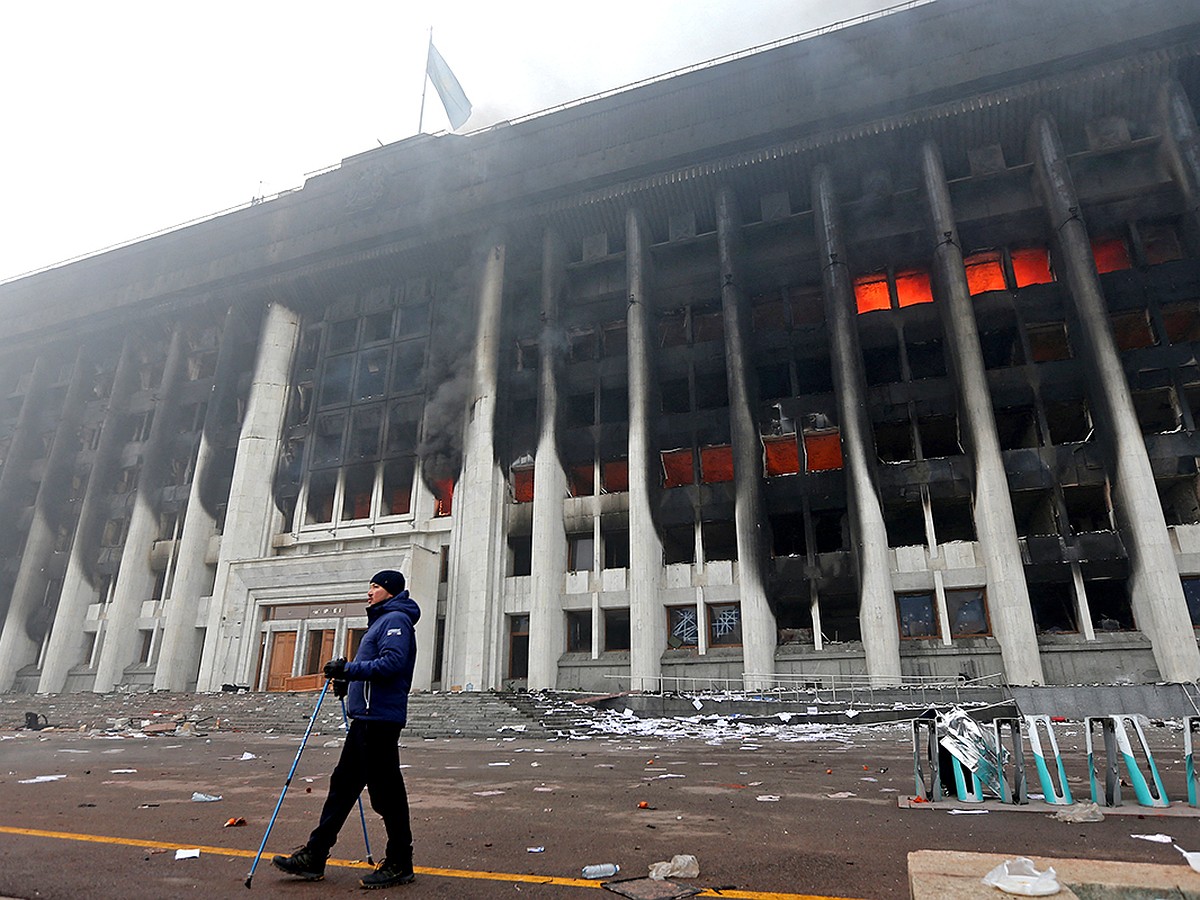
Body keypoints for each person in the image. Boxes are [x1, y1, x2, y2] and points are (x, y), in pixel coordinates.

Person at [273, 569, 421, 889]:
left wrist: (349, 669)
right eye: (369, 586)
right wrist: (347, 682)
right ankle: (315, 854)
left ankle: (399, 861)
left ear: (391, 591)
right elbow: (375, 669)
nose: (369, 592)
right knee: (342, 787)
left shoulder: (395, 620)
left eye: (376, 587)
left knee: (386, 794)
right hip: (365, 720)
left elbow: (393, 663)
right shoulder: (382, 621)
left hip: (379, 721)